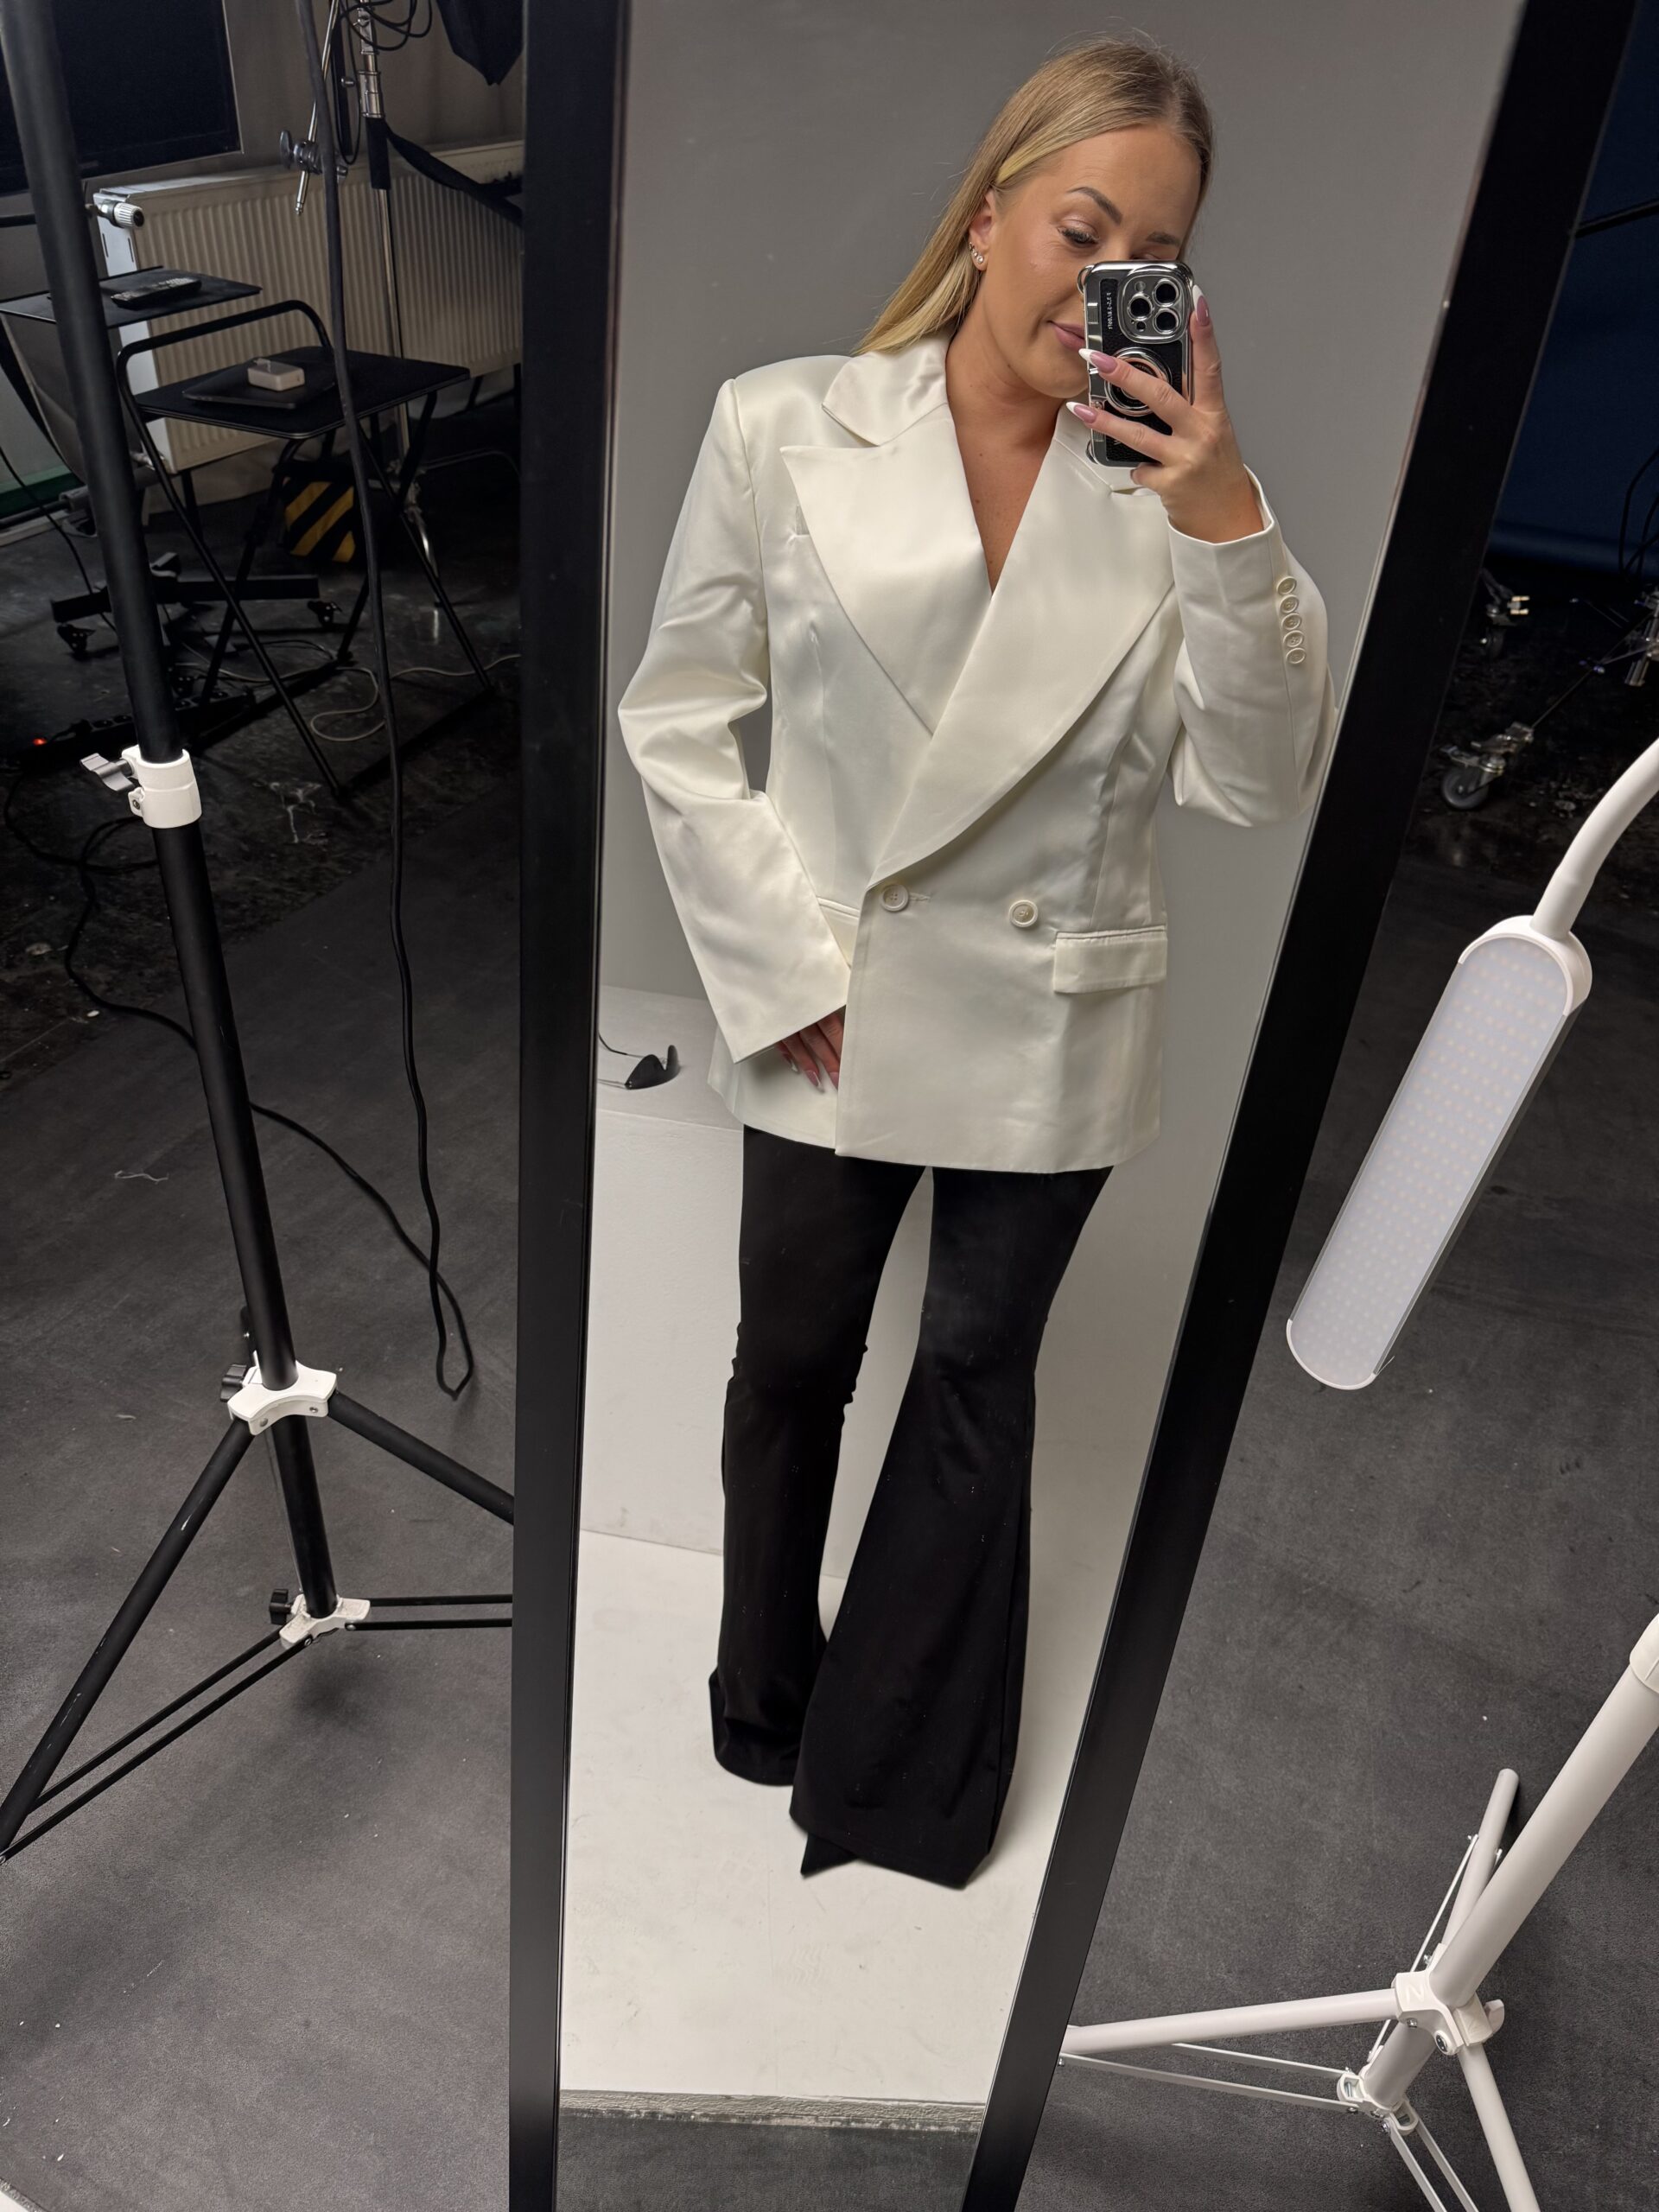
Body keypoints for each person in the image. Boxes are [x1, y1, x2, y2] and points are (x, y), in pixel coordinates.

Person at [615, 35, 1338, 1888]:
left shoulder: (1172, 497)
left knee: (971, 1375)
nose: (1101, 281)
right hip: (830, 1002)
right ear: (992, 212)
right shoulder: (785, 424)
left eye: (1150, 256)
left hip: (1051, 1018)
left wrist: (1225, 514)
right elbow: (679, 716)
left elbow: (1257, 784)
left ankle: (891, 1777)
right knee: (792, 1359)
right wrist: (786, 966)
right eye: (1080, 228)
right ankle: (763, 1687)